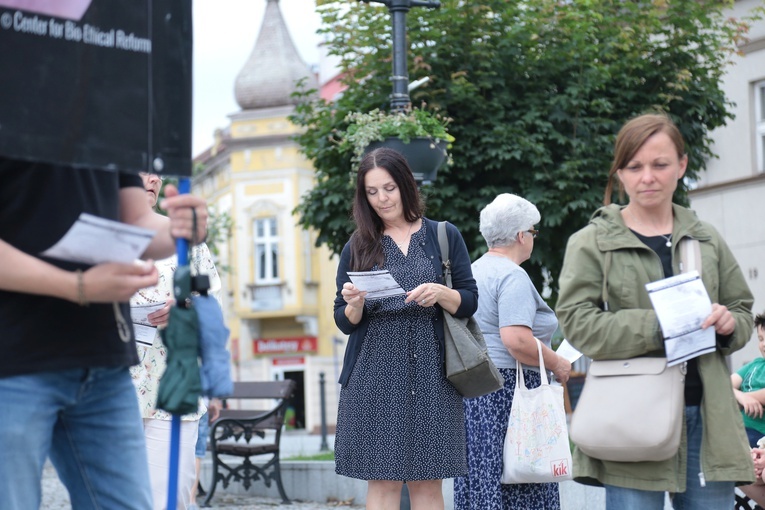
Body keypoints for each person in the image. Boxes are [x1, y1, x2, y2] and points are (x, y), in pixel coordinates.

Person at [556, 112, 755, 509]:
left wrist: (731, 324)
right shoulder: (593, 242)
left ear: (681, 166)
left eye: (660, 164)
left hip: (708, 416)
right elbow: (577, 323)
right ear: (621, 173)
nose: (648, 177)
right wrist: (658, 325)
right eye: (635, 167)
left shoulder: (705, 237)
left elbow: (743, 310)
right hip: (631, 417)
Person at [0, 157, 208, 510]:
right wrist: (77, 285)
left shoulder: (108, 127)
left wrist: (179, 229)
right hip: (14, 361)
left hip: (104, 365)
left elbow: (137, 221)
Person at [333, 147, 478, 510]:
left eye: (389, 188)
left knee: (428, 482)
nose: (381, 199)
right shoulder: (358, 245)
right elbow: (342, 320)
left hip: (433, 372)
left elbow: (470, 300)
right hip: (376, 373)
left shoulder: (443, 235)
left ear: (405, 185)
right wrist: (354, 305)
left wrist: (442, 293)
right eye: (371, 191)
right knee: (382, 482)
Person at [454, 193, 571, 509]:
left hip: (476, 392)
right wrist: (557, 361)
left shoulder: (470, 273)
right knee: (523, 480)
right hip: (510, 393)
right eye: (533, 231)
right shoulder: (512, 276)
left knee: (484, 481)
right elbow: (516, 340)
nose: (533, 237)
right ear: (521, 236)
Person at [129, 172, 222, 509]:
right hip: (109, 385)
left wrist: (185, 308)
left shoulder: (184, 238)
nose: (151, 178)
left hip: (172, 384)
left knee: (169, 496)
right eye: (141, 169)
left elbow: (213, 309)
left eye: (155, 170)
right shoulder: (100, 233)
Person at [732, 313, 765, 448]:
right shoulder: (755, 364)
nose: (763, 344)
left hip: (760, 436)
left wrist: (737, 398)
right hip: (739, 430)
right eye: (761, 339)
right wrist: (742, 398)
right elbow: (724, 386)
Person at [188, 397, 222, 510]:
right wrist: (214, 400)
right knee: (197, 453)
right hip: (198, 403)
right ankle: (191, 501)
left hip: (170, 403)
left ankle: (190, 500)